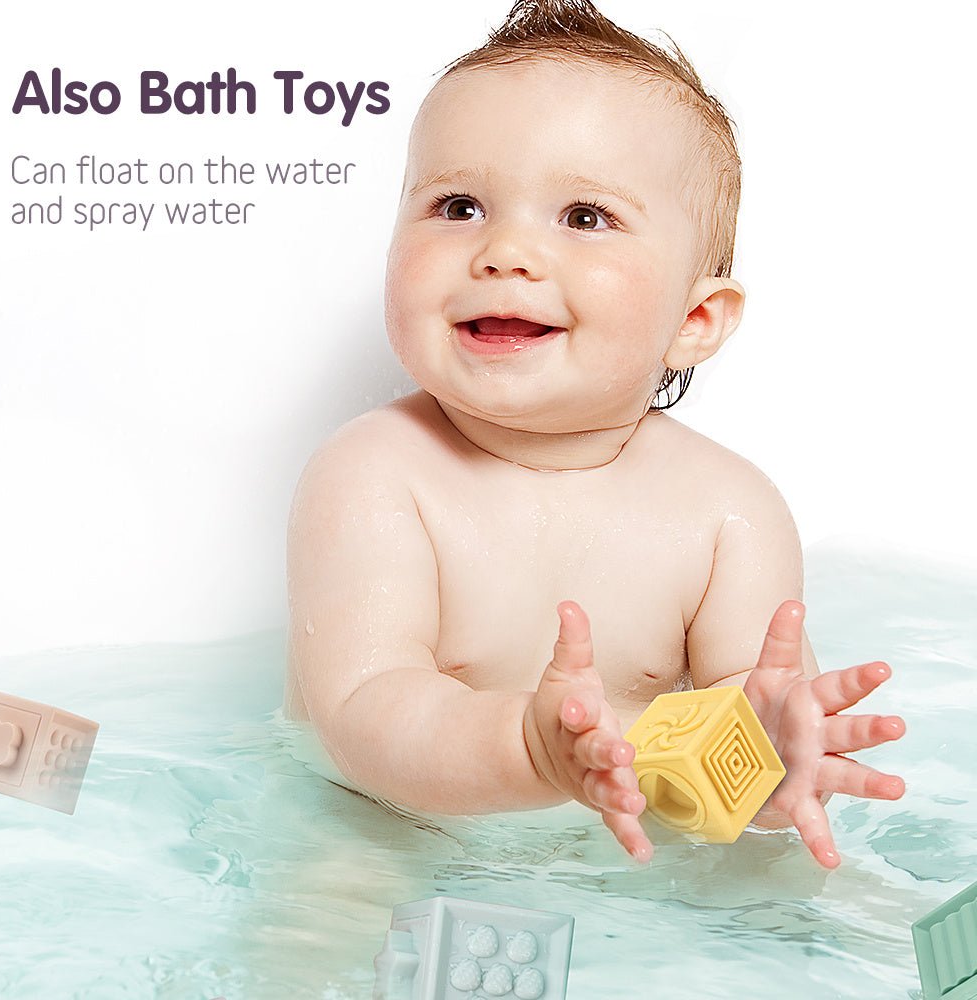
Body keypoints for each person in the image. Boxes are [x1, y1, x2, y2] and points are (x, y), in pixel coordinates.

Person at [284, 0, 906, 867]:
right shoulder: (374, 474)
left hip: (641, 847)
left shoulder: (729, 513)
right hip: (396, 837)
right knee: (322, 918)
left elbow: (753, 719)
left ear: (695, 318)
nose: (504, 250)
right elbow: (362, 716)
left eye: (583, 216)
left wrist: (770, 769)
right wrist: (528, 751)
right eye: (458, 205)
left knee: (798, 896)